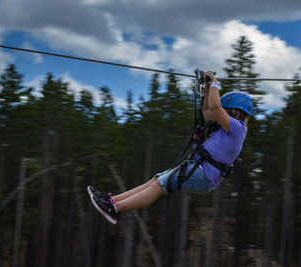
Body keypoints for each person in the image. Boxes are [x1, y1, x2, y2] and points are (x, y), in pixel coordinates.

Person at [87, 72, 254, 224]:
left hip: (205, 175)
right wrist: (208, 87)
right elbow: (209, 110)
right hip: (200, 168)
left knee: (160, 185)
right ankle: (112, 201)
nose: (220, 114)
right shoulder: (226, 127)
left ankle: (115, 210)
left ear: (236, 113)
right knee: (156, 180)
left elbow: (216, 108)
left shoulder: (239, 129)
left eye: (225, 112)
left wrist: (215, 83)